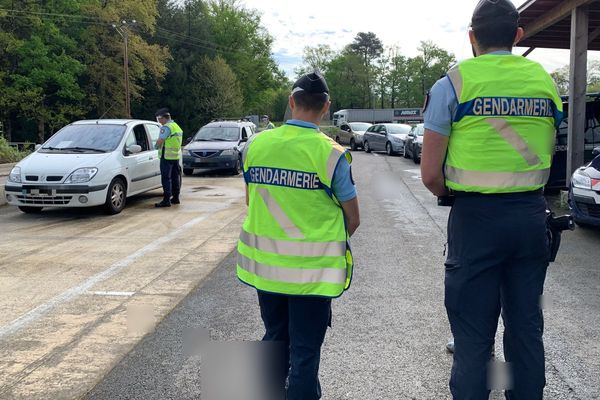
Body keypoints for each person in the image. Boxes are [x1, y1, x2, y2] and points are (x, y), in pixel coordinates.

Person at [420, 1, 563, 399]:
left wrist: (455, 191)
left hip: (475, 222)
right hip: (531, 219)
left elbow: (431, 175)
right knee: (526, 331)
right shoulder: (545, 82)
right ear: (518, 35)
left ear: (472, 38)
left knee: (472, 339)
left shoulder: (453, 83)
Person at [236, 71, 360, 400]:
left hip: (267, 270)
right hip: (313, 276)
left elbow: (252, 201)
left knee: (275, 338)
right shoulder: (331, 155)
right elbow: (353, 218)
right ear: (326, 107)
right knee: (305, 351)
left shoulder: (256, 145)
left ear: (291, 102)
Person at [154, 108, 183, 208]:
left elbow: (160, 140)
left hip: (166, 157)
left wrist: (155, 147)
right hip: (175, 157)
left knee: (166, 178)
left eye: (159, 119)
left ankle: (166, 200)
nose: (159, 121)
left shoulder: (166, 127)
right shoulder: (176, 126)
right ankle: (176, 198)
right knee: (175, 178)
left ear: (163, 118)